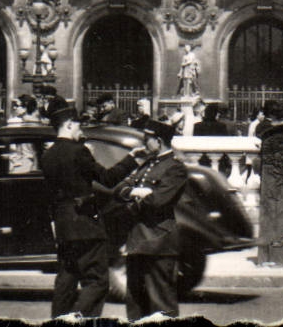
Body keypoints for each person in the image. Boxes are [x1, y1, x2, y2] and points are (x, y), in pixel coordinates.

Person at [40, 103, 143, 318]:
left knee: (66, 280)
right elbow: (108, 178)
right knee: (97, 281)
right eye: (78, 125)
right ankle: (77, 319)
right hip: (86, 225)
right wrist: (132, 158)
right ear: (68, 125)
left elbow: (51, 194)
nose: (81, 130)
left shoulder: (48, 155)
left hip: (63, 226)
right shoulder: (80, 151)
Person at [111, 119, 190, 321]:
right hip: (138, 239)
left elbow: (157, 201)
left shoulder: (175, 168)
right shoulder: (147, 164)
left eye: (147, 139)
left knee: (161, 301)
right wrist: (138, 191)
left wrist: (135, 196)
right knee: (135, 301)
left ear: (159, 140)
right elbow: (119, 189)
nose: (144, 143)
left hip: (158, 241)